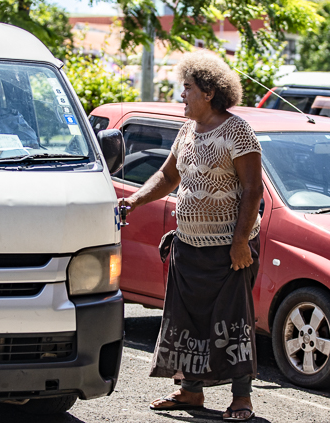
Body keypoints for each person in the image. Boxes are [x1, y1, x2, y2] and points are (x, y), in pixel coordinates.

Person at [121, 52, 264, 422]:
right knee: (187, 322)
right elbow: (168, 176)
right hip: (188, 245)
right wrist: (134, 200)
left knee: (232, 322)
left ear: (209, 92)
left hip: (229, 250)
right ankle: (190, 392)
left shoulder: (236, 131)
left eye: (187, 88)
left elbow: (253, 190)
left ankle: (241, 398)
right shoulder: (187, 131)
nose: (181, 95)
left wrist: (239, 242)